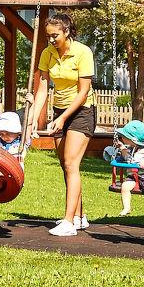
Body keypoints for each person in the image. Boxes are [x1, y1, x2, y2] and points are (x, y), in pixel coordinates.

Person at [27, 12, 95, 237]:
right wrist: (32, 120)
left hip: (81, 112)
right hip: (59, 112)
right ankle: (80, 216)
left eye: (55, 35)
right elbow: (43, 89)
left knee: (71, 163)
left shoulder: (82, 52)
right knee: (66, 165)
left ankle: (68, 222)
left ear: (67, 32)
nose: (51, 40)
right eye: (48, 36)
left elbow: (83, 92)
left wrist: (64, 117)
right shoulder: (48, 53)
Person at [113, 118, 144, 223]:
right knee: (125, 187)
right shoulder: (131, 148)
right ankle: (127, 208)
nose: (122, 137)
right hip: (133, 176)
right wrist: (122, 148)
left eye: (125, 137)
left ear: (134, 139)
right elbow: (127, 157)